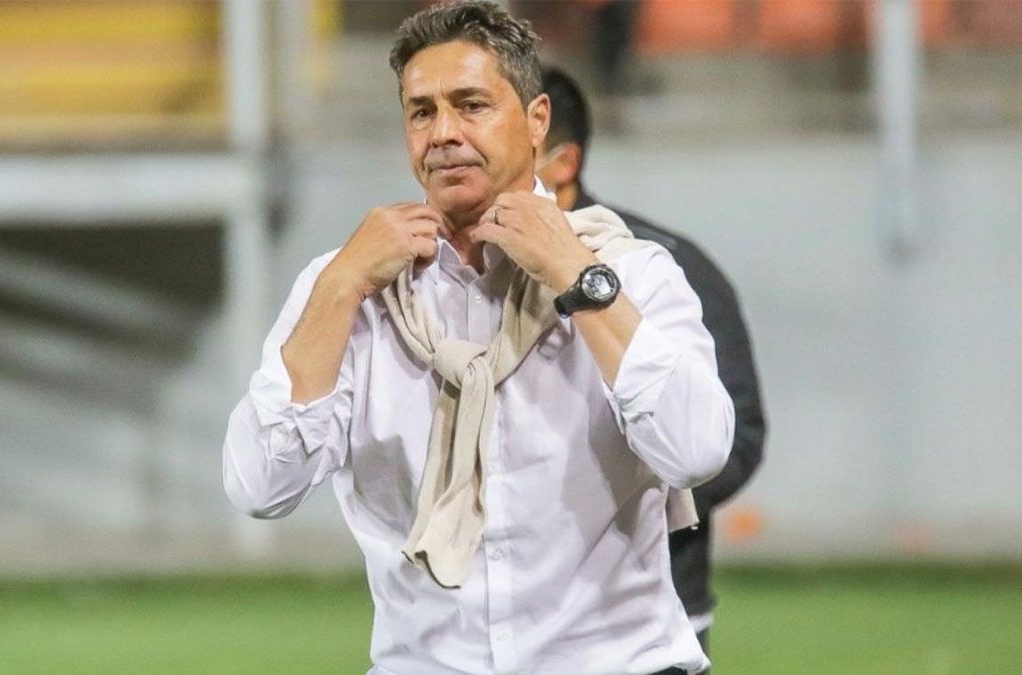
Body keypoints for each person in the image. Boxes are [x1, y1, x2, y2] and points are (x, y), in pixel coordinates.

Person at [222, 2, 733, 673]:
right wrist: (341, 284)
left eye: (471, 105)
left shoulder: (629, 271)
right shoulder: (350, 289)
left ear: (537, 121)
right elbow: (261, 485)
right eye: (421, 112)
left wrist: (576, 275)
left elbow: (696, 449)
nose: (443, 133)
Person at [536, 66, 767, 670]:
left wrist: (615, 508)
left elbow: (737, 436)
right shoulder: (459, 272)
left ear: (563, 162)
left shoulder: (662, 265)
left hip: (650, 624)